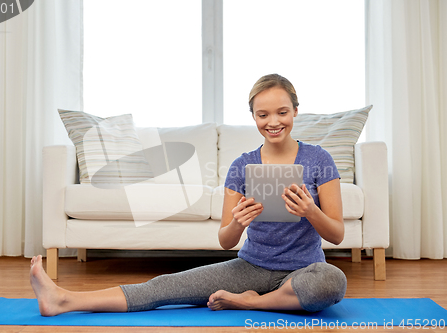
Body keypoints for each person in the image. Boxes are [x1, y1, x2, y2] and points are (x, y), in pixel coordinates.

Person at [29, 73, 347, 316]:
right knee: (164, 285)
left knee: (330, 282)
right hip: (249, 268)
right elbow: (225, 240)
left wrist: (311, 211)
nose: (273, 122)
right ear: (254, 117)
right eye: (263, 115)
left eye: (281, 112)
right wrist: (238, 223)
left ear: (295, 111)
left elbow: (336, 235)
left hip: (304, 272)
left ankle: (254, 304)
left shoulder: (319, 160)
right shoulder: (243, 166)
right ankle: (62, 299)